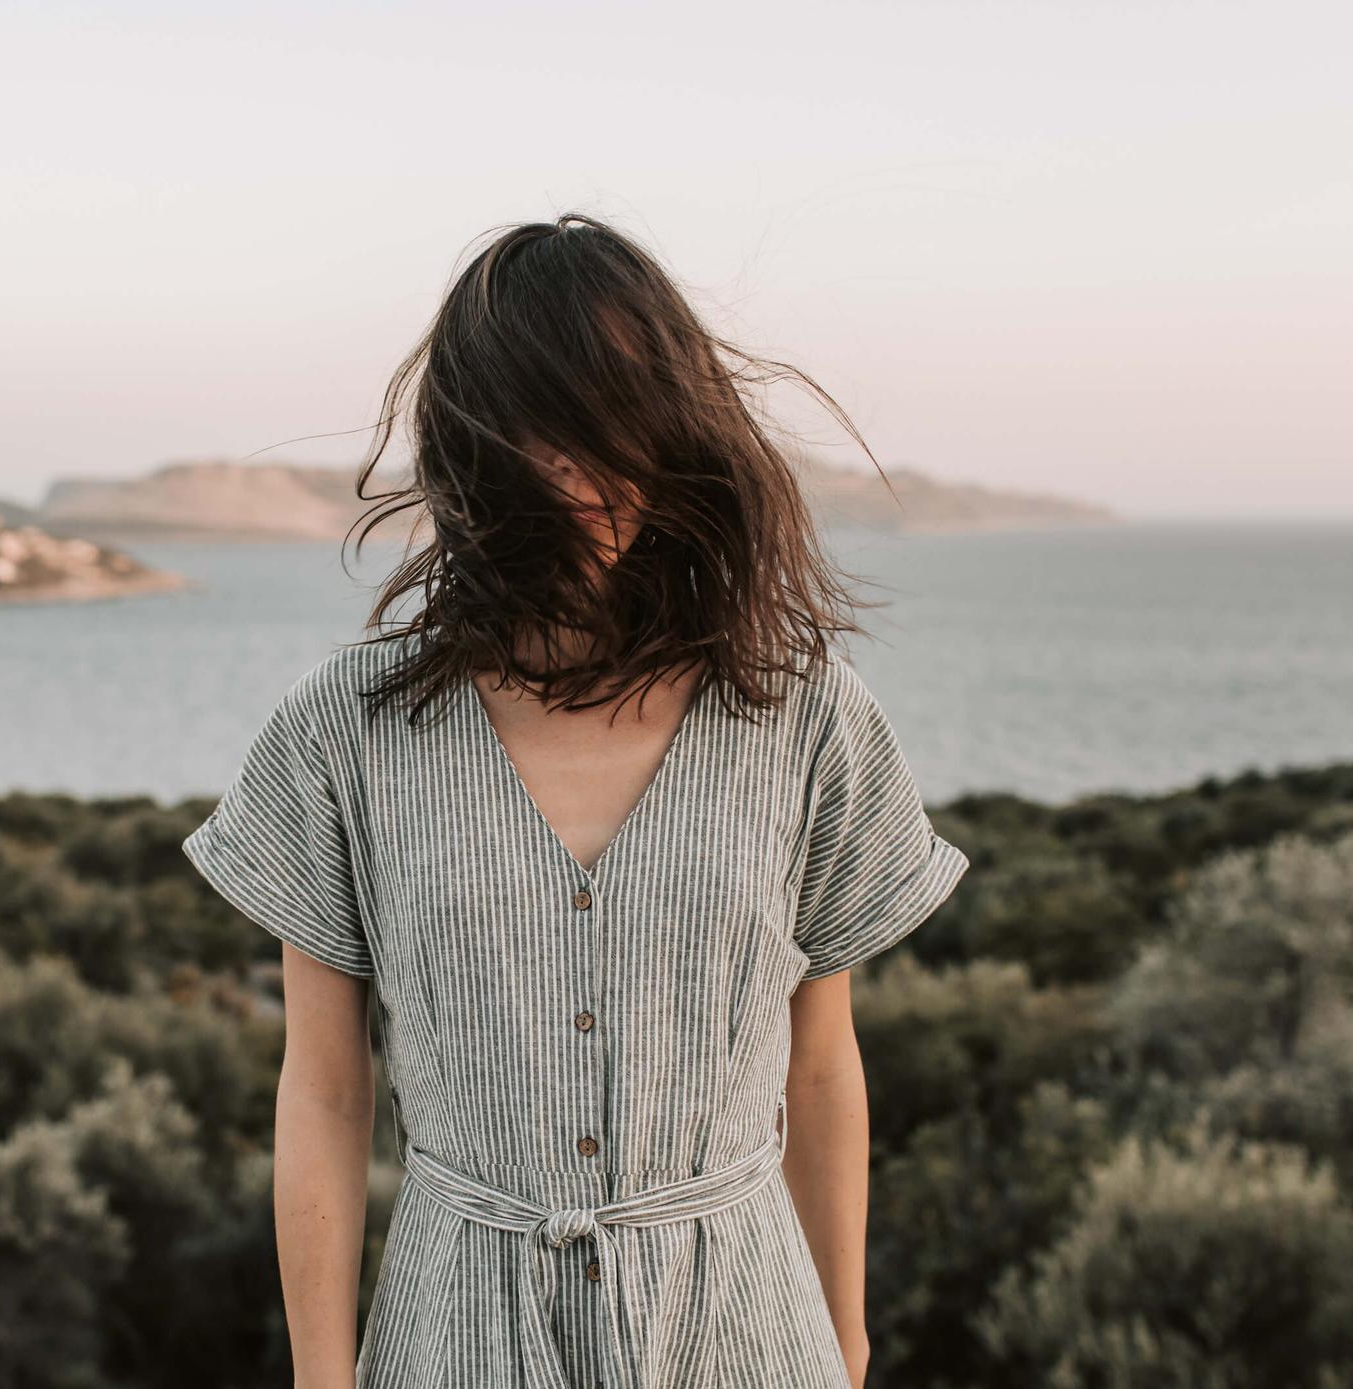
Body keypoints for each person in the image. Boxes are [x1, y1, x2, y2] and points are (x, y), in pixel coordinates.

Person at [182, 212, 970, 1389]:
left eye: (615, 417)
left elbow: (818, 1065)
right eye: (544, 426)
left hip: (744, 1336)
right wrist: (319, 1374)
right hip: (457, 1336)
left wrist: (846, 1346)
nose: (586, 469)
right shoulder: (343, 731)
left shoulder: (804, 718)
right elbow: (327, 1089)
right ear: (473, 444)